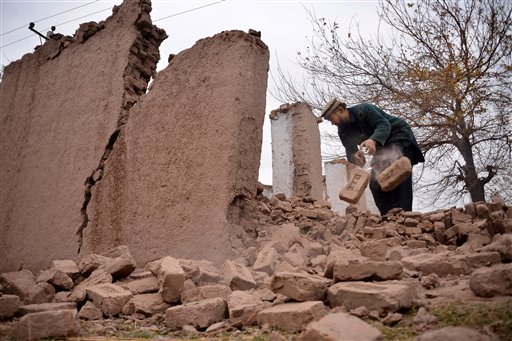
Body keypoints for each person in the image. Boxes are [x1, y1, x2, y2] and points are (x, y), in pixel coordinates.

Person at [321, 99, 424, 215]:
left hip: (398, 136)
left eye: (331, 118)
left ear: (340, 110)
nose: (332, 123)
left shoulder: (364, 110)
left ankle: (403, 216)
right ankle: (388, 217)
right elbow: (350, 151)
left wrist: (373, 140)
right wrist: (355, 156)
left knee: (396, 173)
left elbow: (384, 124)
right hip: (381, 149)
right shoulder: (343, 131)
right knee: (375, 184)